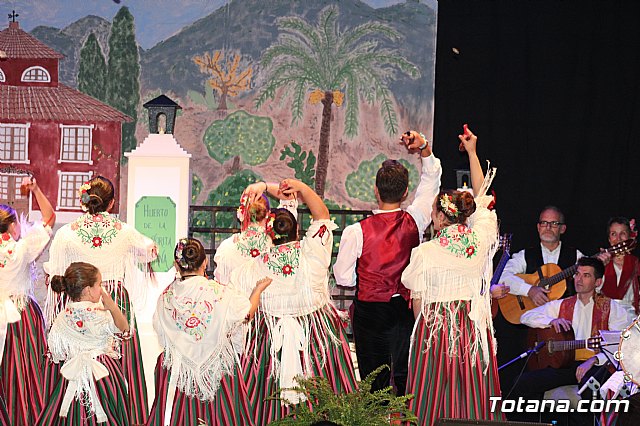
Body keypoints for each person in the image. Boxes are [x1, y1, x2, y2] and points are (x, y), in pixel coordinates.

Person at [232, 178, 358, 425]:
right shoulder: (312, 252)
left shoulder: (250, 269)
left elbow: (242, 312)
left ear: (268, 232)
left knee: (268, 407)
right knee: (326, 404)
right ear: (297, 231)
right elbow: (322, 216)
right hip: (317, 339)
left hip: (268, 344)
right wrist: (300, 186)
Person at [401, 127, 502, 425]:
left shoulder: (424, 253)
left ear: (440, 217)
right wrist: (472, 153)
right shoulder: (480, 241)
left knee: (431, 398)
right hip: (471, 329)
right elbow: (482, 198)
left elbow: (418, 308)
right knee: (471, 396)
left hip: (435, 329)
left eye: (433, 212)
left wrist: (424, 338)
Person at [333, 130, 442, 395]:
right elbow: (431, 183)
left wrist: (372, 280)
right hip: (403, 311)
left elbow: (343, 278)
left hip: (370, 313)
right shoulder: (415, 221)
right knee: (405, 379)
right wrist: (424, 148)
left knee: (373, 383)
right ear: (405, 192)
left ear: (375, 190)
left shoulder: (356, 232)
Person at [44, 176, 157, 424]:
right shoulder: (124, 231)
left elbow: (54, 274)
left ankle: (73, 415)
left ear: (83, 201)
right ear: (112, 203)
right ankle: (123, 414)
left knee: (71, 355)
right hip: (113, 300)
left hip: (77, 301)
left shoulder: (66, 234)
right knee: (121, 365)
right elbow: (149, 251)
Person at [146, 237, 271, 426]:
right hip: (217, 371)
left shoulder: (165, 297)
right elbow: (246, 314)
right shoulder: (220, 292)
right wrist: (257, 291)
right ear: (205, 262)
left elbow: (161, 333)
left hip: (178, 373)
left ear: (176, 265)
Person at [511, 257, 631, 425]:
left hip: (597, 367)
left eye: (586, 275)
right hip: (566, 366)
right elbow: (526, 316)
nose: (579, 279)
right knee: (521, 383)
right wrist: (550, 321)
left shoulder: (612, 308)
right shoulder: (561, 305)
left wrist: (595, 359)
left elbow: (623, 343)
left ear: (598, 282)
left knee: (588, 389)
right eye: (577, 274)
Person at [495, 205, 584, 393]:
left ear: (563, 228)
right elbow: (503, 276)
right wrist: (530, 291)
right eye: (544, 223)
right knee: (522, 381)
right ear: (538, 227)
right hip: (527, 331)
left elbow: (591, 279)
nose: (548, 227)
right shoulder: (525, 255)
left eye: (554, 223)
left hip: (563, 332)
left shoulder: (576, 256)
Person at [36, 262, 131, 425]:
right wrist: (113, 308)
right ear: (88, 290)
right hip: (103, 373)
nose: (101, 289)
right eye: (99, 285)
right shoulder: (102, 315)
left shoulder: (61, 319)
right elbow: (124, 329)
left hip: (74, 373)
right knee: (108, 411)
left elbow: (56, 353)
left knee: (74, 414)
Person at [0, 176, 55, 425]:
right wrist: (35, 188)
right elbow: (49, 218)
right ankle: (27, 414)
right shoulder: (20, 249)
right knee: (24, 370)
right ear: (12, 227)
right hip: (21, 317)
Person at [598, 217, 638, 317]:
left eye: (623, 234)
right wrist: (598, 268)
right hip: (604, 316)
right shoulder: (600, 262)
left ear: (629, 238)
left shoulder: (636, 264)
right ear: (609, 239)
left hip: (632, 318)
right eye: (614, 234)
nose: (618, 239)